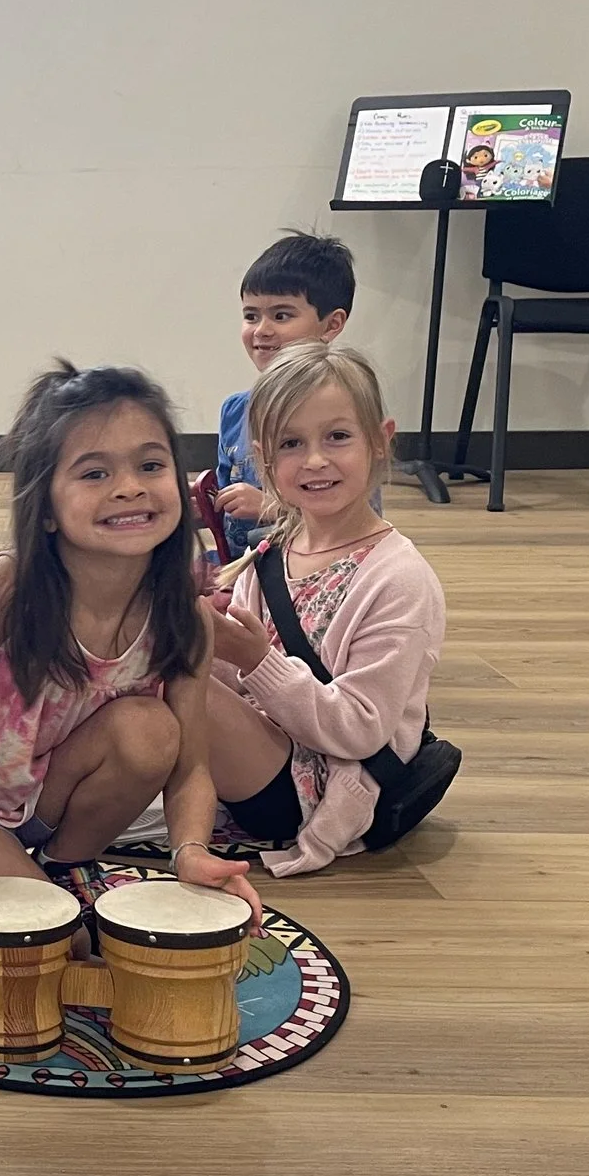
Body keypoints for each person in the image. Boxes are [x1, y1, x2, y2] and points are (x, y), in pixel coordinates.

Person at [0, 363, 259, 921]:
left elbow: (191, 766)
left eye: (151, 465)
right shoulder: (8, 591)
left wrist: (192, 851)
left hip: (46, 799)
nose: (130, 486)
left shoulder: (185, 615)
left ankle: (63, 869)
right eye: (93, 474)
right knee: (62, 947)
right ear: (48, 510)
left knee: (155, 730)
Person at [205, 343, 446, 875]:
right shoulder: (270, 553)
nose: (315, 460)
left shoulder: (400, 579)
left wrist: (253, 660)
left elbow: (361, 731)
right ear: (266, 461)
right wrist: (203, 642)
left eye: (337, 436)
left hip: (325, 785)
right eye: (292, 443)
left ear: (380, 442)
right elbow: (236, 684)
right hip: (265, 753)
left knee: (182, 688)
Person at [217, 233, 354, 562]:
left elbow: (355, 524)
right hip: (242, 572)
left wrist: (272, 508)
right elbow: (226, 506)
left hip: (313, 573)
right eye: (251, 316)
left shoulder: (346, 410)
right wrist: (202, 507)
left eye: (281, 316)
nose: (261, 330)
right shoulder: (235, 411)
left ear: (331, 324)